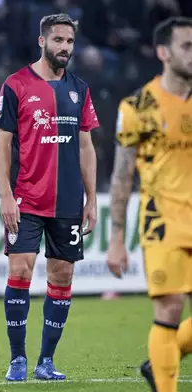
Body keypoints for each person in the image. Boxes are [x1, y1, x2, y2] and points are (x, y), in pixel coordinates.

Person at [0, 13, 99, 382]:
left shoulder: (79, 89)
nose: (64, 48)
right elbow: (2, 146)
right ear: (42, 42)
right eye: (58, 41)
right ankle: (17, 359)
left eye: (69, 42)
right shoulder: (16, 84)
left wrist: (92, 199)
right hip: (26, 199)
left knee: (62, 274)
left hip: (67, 202)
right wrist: (6, 195)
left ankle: (46, 361)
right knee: (19, 270)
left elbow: (86, 146)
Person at [107, 16, 192, 392]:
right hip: (162, 222)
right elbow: (122, 176)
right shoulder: (137, 107)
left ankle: (158, 363)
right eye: (186, 47)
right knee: (170, 308)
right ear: (163, 52)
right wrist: (116, 238)